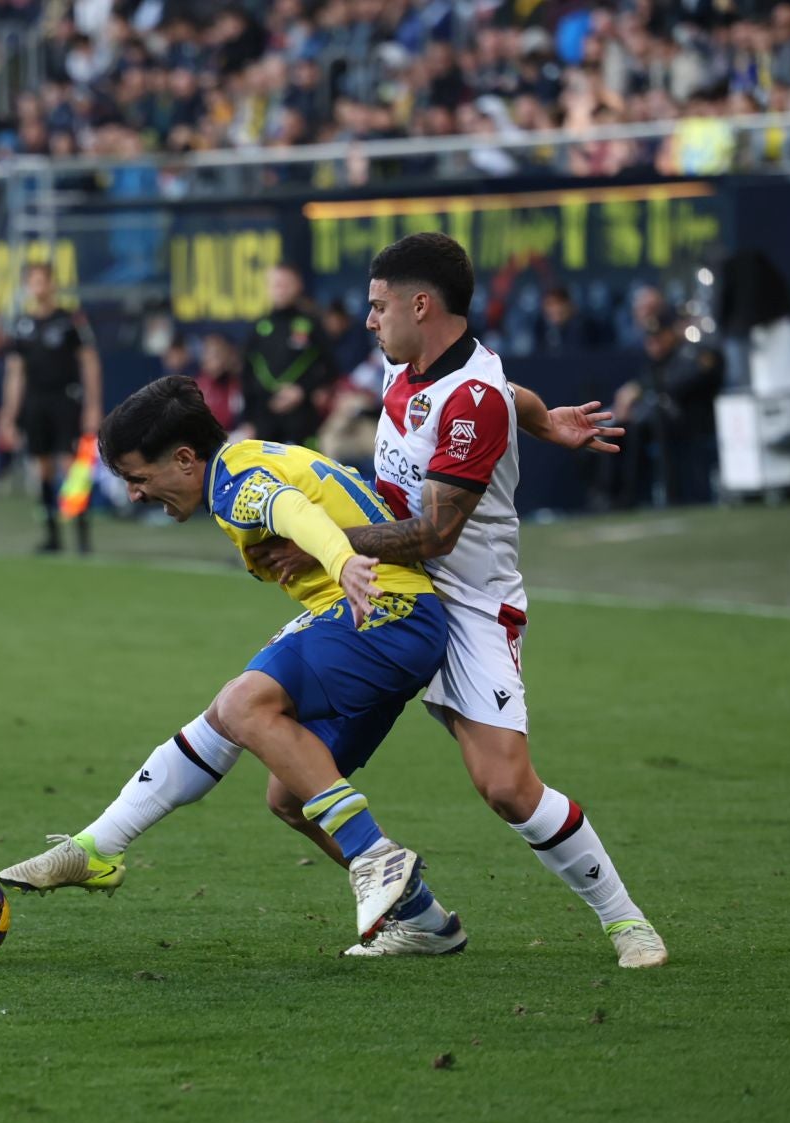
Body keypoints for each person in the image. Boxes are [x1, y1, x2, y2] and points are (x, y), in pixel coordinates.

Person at [253, 233, 667, 967]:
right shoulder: (413, 368)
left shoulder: (469, 400)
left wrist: (325, 540)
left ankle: (626, 920)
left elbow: (437, 534)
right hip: (391, 597)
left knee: (507, 788)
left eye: (379, 307)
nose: (369, 320)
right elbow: (512, 394)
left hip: (468, 605)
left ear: (422, 305)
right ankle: (422, 919)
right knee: (290, 792)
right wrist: (547, 422)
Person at [0, 376, 460, 953]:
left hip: (383, 613)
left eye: (138, 478)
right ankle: (425, 922)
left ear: (186, 459)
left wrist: (341, 562)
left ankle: (373, 856)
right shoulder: (244, 461)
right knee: (289, 796)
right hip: (392, 618)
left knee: (243, 704)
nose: (135, 495)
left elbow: (290, 510)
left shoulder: (234, 483)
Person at [0, 261, 102, 554]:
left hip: (65, 399)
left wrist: (93, 405)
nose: (38, 287)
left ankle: (82, 533)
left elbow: (90, 363)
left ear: (52, 284)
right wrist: (10, 413)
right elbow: (15, 372)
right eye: (33, 281)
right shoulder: (22, 325)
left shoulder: (70, 321)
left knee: (72, 467)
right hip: (35, 402)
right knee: (41, 467)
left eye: (42, 280)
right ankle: (52, 535)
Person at [612, 304, 724, 507]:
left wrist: (642, 389)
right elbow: (653, 383)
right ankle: (625, 495)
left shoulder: (696, 350)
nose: (655, 343)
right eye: (651, 339)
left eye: (660, 336)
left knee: (656, 420)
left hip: (695, 419)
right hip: (668, 420)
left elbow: (684, 382)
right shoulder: (658, 361)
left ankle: (673, 496)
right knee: (629, 424)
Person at [241, 264, 336, 445]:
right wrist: (248, 420)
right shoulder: (259, 326)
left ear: (298, 285)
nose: (281, 289)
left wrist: (302, 390)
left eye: (286, 284)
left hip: (302, 417)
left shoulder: (311, 324)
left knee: (304, 468)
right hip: (264, 418)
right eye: (276, 284)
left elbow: (331, 368)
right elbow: (247, 374)